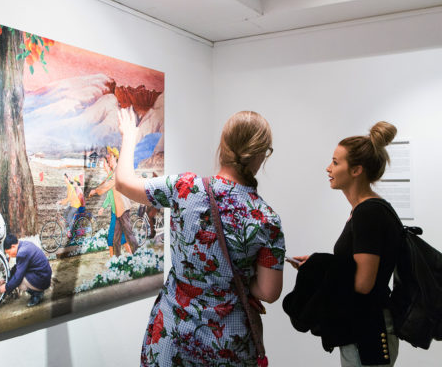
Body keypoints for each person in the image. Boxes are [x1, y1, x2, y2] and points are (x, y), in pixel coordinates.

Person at [114, 107, 285, 366]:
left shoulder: (186, 189)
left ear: (223, 146)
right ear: (262, 154)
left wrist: (129, 135)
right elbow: (269, 291)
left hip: (173, 333)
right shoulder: (266, 219)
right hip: (226, 342)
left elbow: (123, 182)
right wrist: (236, 278)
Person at [291, 121, 401, 366]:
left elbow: (363, 283)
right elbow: (353, 268)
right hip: (364, 325)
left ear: (356, 170)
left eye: (335, 162)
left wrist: (321, 268)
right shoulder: (365, 210)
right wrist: (317, 263)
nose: (328, 168)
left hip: (369, 330)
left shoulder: (368, 213)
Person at [90, 147, 138, 257]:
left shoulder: (117, 173)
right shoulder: (113, 172)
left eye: (110, 156)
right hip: (118, 210)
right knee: (116, 239)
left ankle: (137, 256)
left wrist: (95, 191)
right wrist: (96, 190)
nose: (108, 158)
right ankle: (116, 260)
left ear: (115, 158)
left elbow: (106, 186)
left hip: (123, 209)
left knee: (128, 235)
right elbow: (106, 184)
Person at [0, 234, 52, 307]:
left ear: (13, 247)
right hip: (44, 275)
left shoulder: (22, 253)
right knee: (17, 276)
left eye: (9, 253)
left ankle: (37, 294)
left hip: (42, 279)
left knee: (19, 282)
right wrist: (5, 278)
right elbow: (17, 267)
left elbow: (18, 277)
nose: (9, 256)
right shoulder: (24, 244)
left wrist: (6, 287)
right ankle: (37, 291)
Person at [58, 173, 82, 237]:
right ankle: (67, 228)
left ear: (68, 179)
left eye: (65, 178)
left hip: (76, 205)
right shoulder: (69, 186)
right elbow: (68, 198)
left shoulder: (70, 187)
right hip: (72, 204)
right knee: (65, 212)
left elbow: (68, 198)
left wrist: (61, 202)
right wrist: (62, 202)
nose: (64, 180)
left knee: (69, 217)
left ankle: (71, 233)